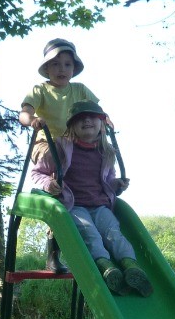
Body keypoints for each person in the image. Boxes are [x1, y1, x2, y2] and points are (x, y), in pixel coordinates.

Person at [30, 100, 153, 298]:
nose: (86, 120)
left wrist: (117, 185)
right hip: (75, 205)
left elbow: (107, 179)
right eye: (80, 118)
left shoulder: (106, 152)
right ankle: (106, 266)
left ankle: (131, 266)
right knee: (90, 234)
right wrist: (48, 184)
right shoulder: (61, 148)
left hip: (100, 206)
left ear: (102, 124)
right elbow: (38, 173)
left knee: (114, 234)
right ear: (72, 126)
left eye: (92, 117)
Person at [18, 38, 100, 272]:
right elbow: (23, 113)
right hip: (48, 146)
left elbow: (97, 112)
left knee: (99, 154)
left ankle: (104, 188)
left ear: (73, 69)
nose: (61, 69)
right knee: (60, 171)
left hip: (74, 146)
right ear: (46, 68)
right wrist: (31, 120)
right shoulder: (40, 90)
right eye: (55, 64)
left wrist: (107, 119)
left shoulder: (80, 90)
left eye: (67, 64)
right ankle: (53, 253)